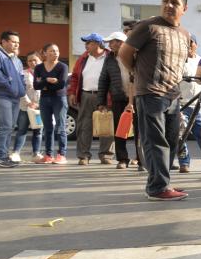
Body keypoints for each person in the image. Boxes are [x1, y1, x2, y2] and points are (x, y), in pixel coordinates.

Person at [119, 0, 191, 201]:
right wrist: (136, 72)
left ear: (184, 8)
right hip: (150, 92)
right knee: (155, 141)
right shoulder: (147, 26)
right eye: (165, 1)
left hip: (172, 95)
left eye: (175, 2)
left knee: (171, 140)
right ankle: (157, 187)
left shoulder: (185, 34)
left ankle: (162, 181)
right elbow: (125, 53)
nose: (169, 5)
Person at [67, 32, 115, 165]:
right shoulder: (83, 58)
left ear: (98, 44)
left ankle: (106, 155)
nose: (86, 45)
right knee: (84, 126)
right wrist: (71, 93)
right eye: (86, 43)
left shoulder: (110, 57)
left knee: (106, 125)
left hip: (105, 95)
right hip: (86, 95)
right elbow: (75, 77)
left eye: (89, 43)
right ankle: (83, 156)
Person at [97, 32, 134, 169]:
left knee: (140, 129)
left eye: (112, 42)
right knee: (120, 130)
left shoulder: (134, 55)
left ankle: (141, 158)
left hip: (137, 98)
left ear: (120, 42)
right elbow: (103, 80)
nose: (110, 45)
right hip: (118, 98)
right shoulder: (109, 59)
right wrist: (101, 102)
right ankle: (123, 159)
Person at [33, 43, 68, 164]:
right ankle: (48, 155)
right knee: (47, 128)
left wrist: (44, 85)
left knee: (61, 126)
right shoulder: (38, 68)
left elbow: (61, 84)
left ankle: (62, 155)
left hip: (59, 99)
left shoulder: (62, 66)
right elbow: (36, 86)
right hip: (44, 100)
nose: (55, 53)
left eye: (57, 51)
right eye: (52, 51)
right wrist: (47, 80)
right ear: (45, 53)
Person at [0, 30, 25, 168]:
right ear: (3, 41)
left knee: (10, 127)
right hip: (2, 96)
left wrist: (21, 89)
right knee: (4, 126)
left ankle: (4, 155)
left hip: (15, 98)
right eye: (13, 42)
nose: (16, 45)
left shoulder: (16, 59)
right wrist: (10, 86)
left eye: (18, 42)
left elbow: (21, 77)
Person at [176, 37, 201, 174]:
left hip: (199, 104)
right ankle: (184, 163)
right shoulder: (178, 61)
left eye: (190, 43)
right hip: (182, 104)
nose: (188, 46)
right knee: (181, 135)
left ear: (196, 45)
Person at [12, 51, 42, 163]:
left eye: (35, 60)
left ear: (40, 61)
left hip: (39, 108)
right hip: (25, 106)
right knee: (22, 130)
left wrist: (38, 104)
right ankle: (16, 152)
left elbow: (46, 91)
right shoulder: (23, 73)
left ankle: (36, 154)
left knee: (38, 131)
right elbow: (20, 90)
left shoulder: (44, 73)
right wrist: (29, 103)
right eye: (30, 60)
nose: (32, 62)